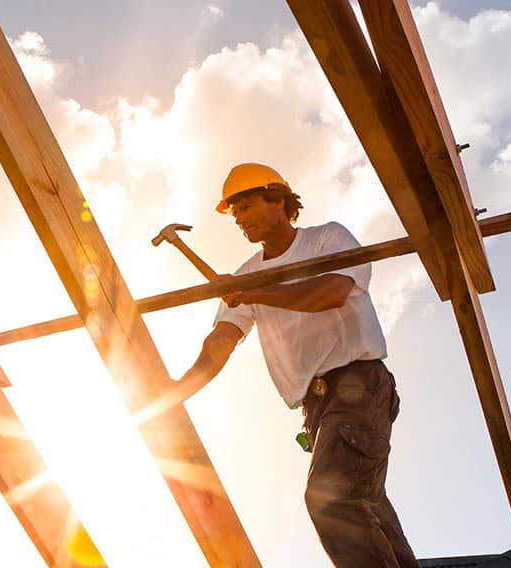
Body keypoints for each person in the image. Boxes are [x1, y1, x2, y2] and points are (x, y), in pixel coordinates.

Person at [172, 163, 419, 567]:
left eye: (247, 206)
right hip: (317, 409)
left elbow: (331, 292)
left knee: (331, 497)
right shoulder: (246, 277)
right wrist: (177, 389)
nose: (239, 219)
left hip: (359, 386)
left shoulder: (327, 239)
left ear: (279, 200)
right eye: (235, 213)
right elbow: (222, 340)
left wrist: (254, 292)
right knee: (369, 508)